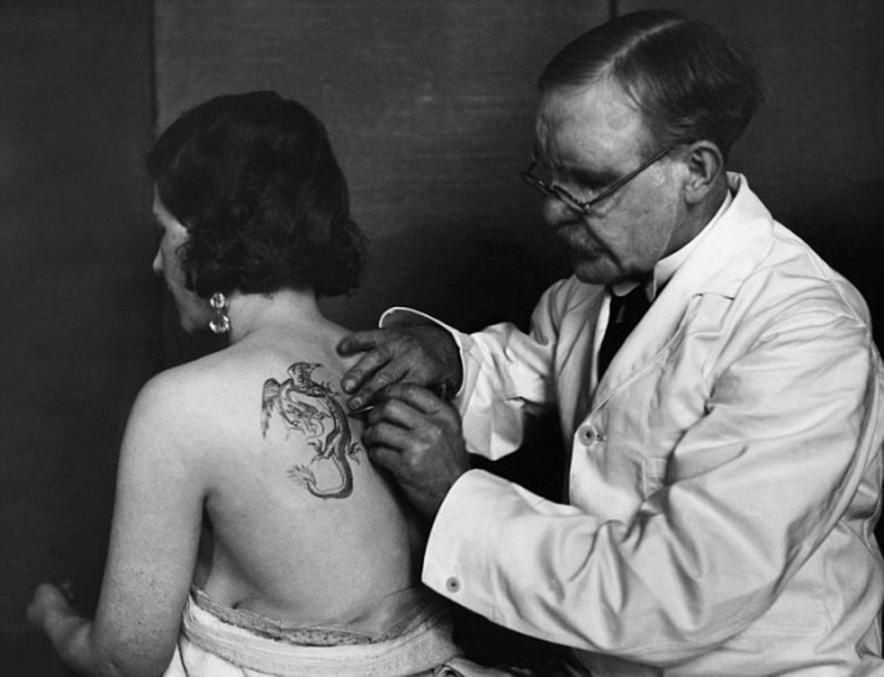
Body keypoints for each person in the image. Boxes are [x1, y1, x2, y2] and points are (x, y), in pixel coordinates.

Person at [337, 10, 884, 675]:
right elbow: (540, 369)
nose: (552, 210)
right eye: (547, 175)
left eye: (590, 183)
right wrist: (450, 356)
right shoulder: (595, 285)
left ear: (697, 170)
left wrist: (455, 493)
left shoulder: (804, 330)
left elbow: (681, 590)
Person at [26, 91, 470, 677]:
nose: (158, 264)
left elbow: (124, 660)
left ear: (199, 235)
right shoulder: (394, 364)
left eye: (162, 229)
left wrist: (53, 619)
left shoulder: (180, 405)